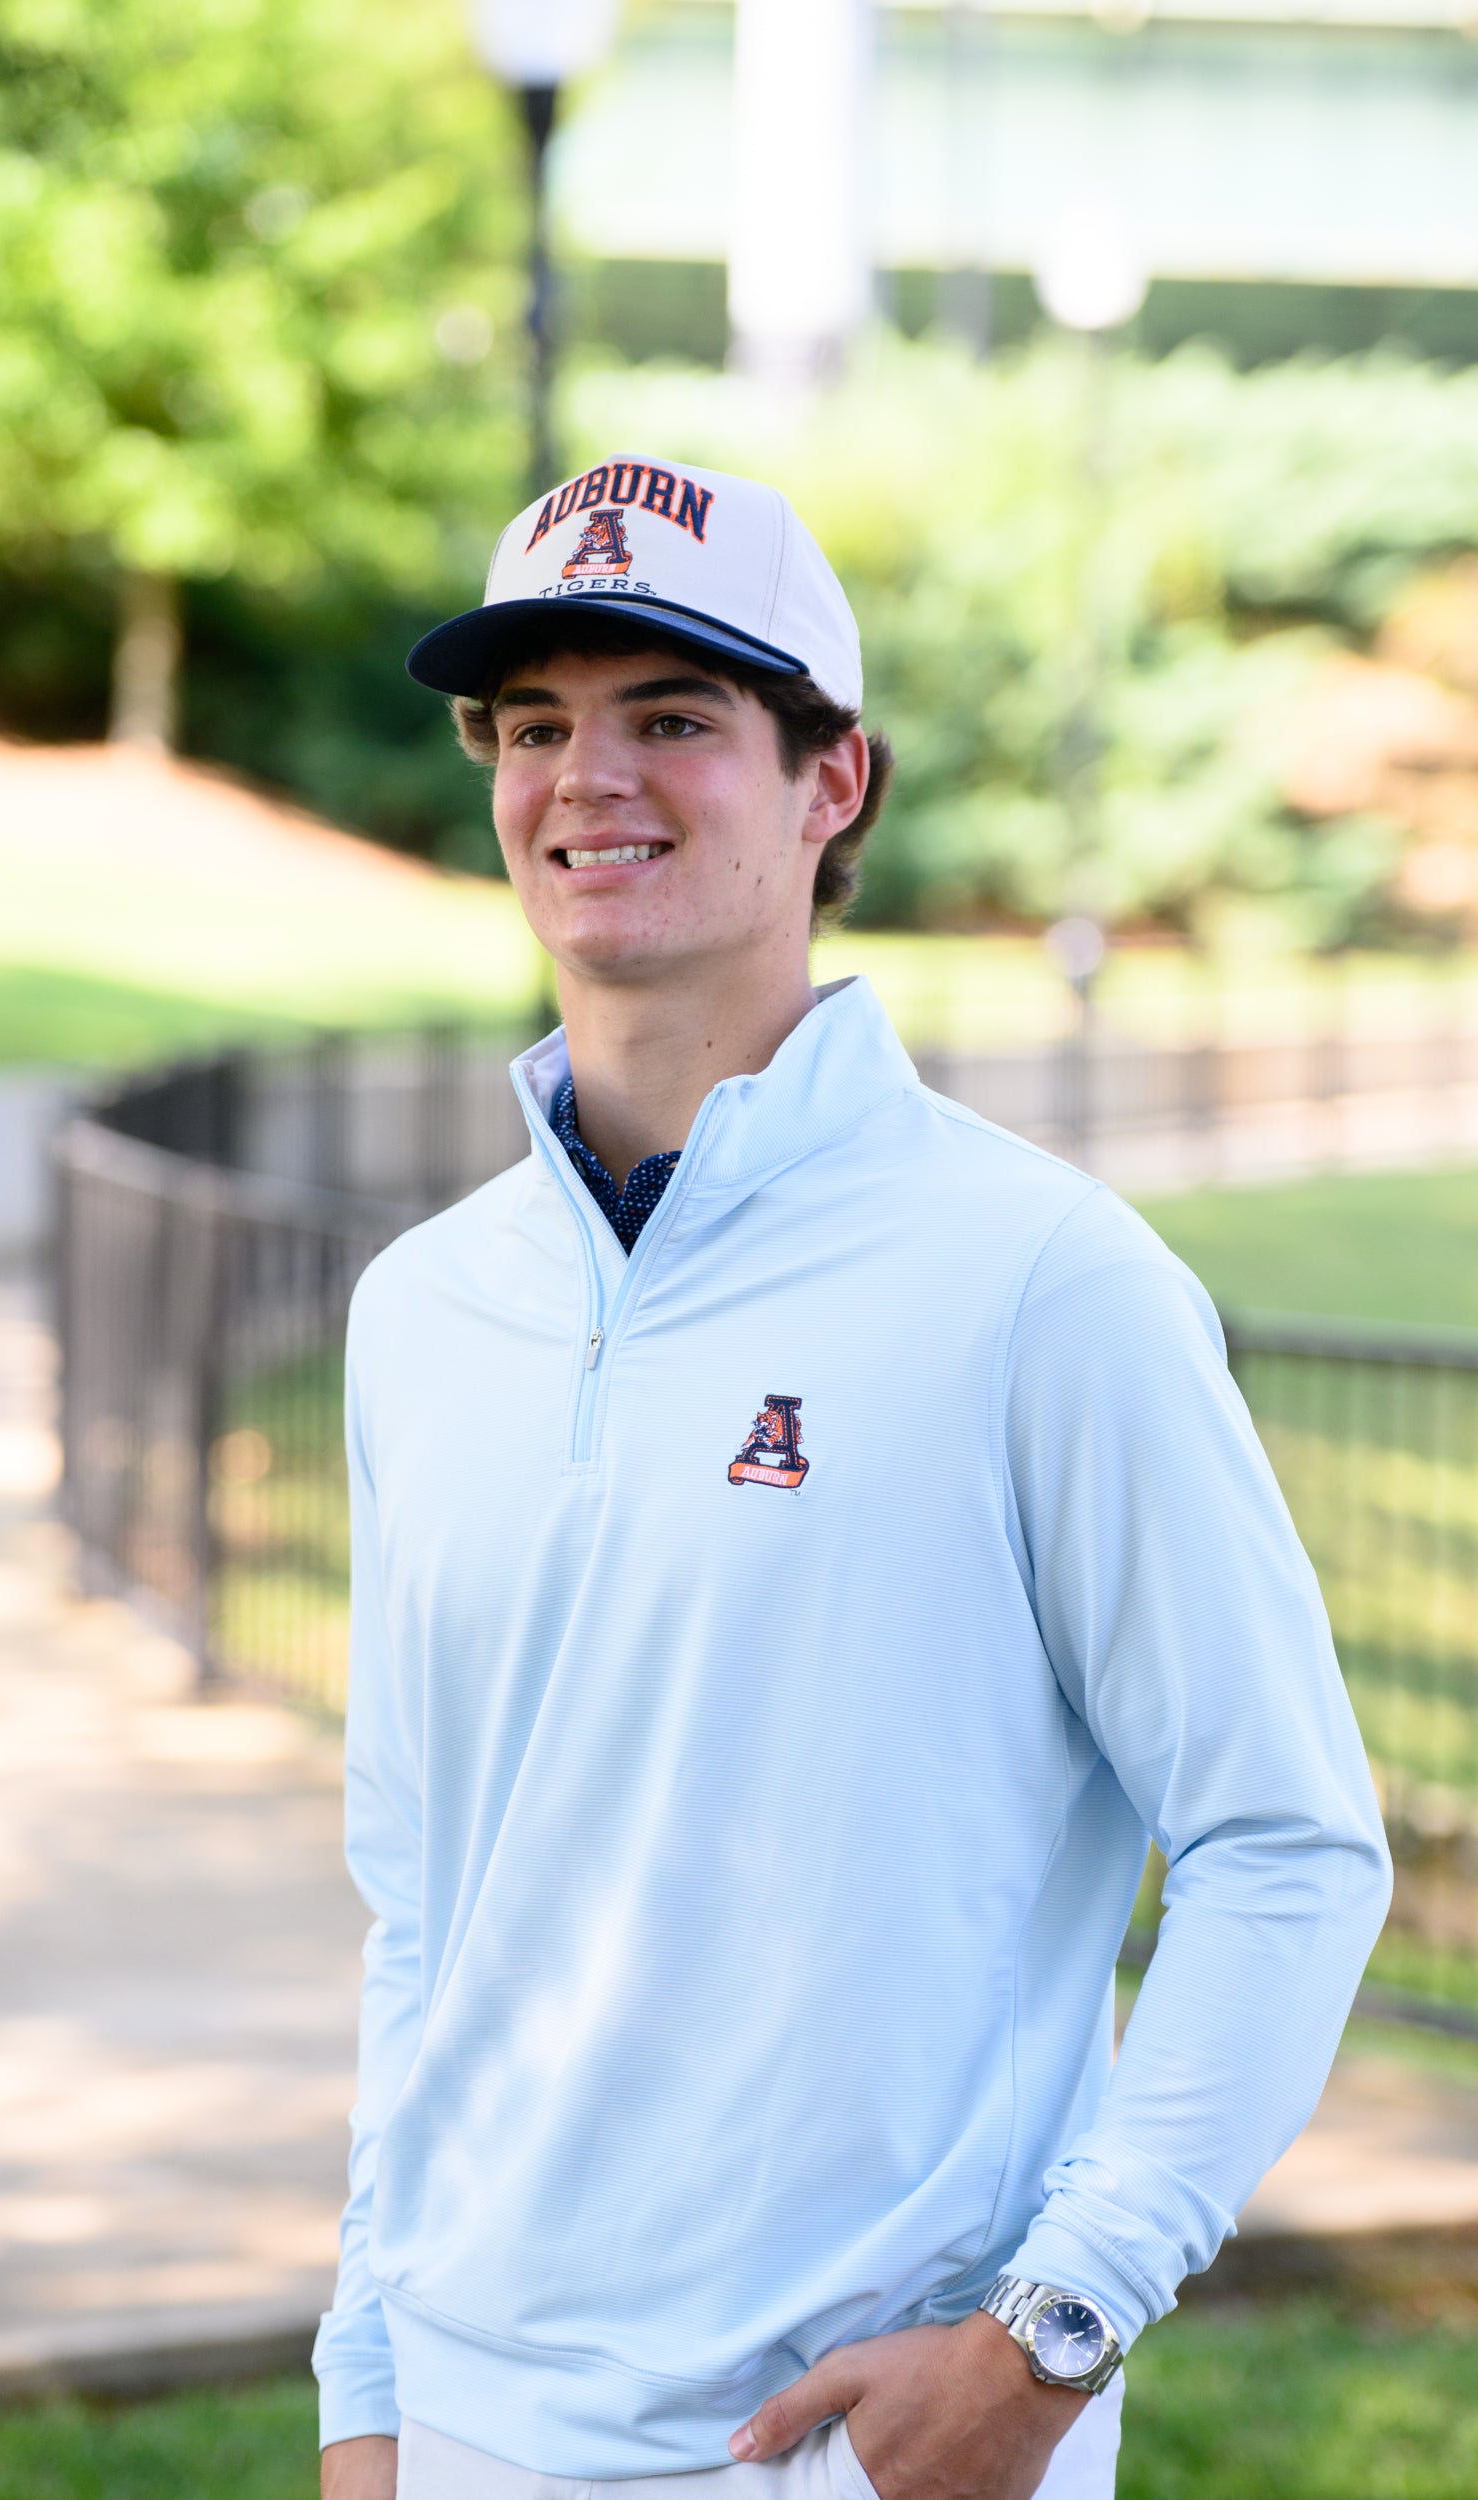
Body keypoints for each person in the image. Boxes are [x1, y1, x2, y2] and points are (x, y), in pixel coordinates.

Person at [314, 456, 1391, 2500]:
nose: (586, 778)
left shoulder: (1039, 1282)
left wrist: (1053, 2331)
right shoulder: (423, 1308)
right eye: (533, 724)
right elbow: (426, 1905)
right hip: (463, 2423)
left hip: (856, 2446)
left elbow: (1285, 1840)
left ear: (831, 783)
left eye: (673, 717)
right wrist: (366, 2374)